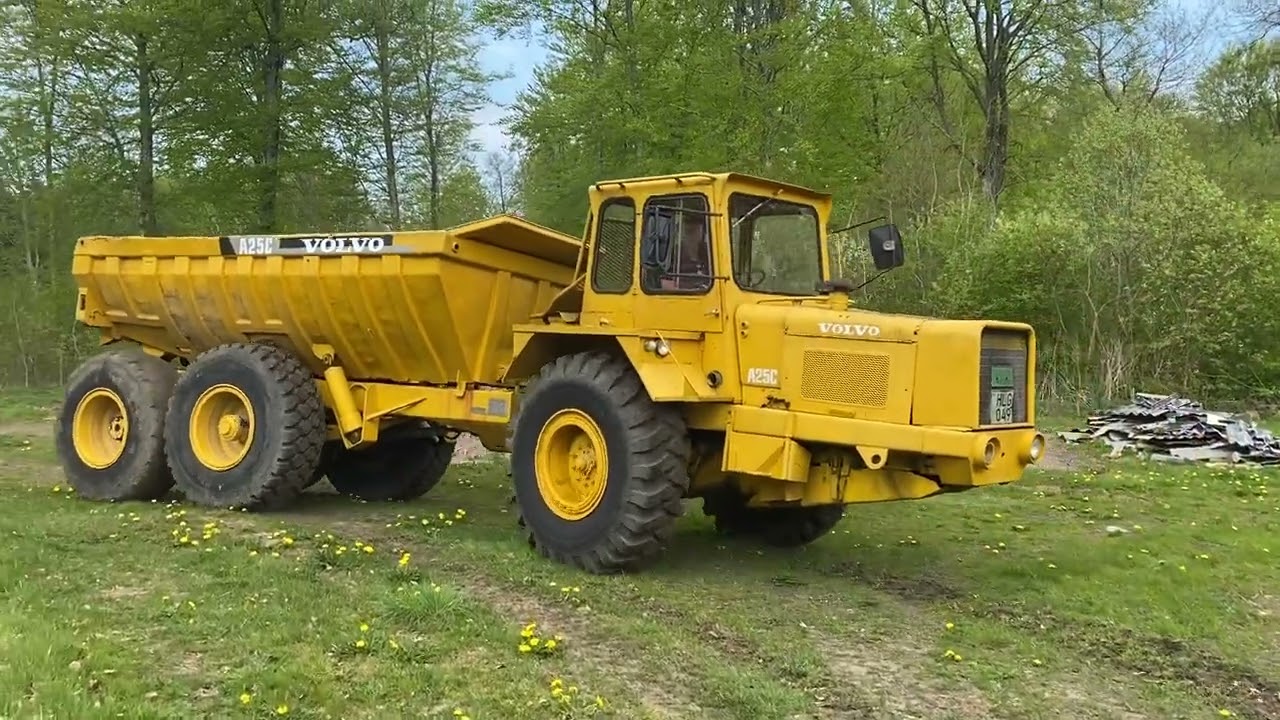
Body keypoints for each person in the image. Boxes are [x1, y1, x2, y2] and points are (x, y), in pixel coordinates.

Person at [660, 214, 712, 291]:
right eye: (688, 231)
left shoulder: (710, 253)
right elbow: (665, 282)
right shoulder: (674, 253)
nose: (691, 236)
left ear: (703, 232)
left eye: (694, 231)